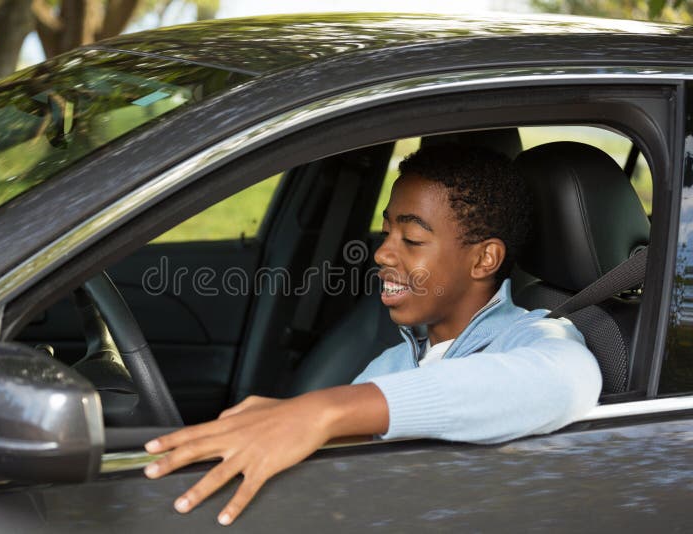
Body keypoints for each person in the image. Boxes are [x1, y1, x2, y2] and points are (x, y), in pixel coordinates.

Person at [142, 144, 603, 526]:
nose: (382, 252)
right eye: (386, 232)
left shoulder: (535, 336)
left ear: (484, 260)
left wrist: (321, 410)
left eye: (412, 240)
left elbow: (566, 380)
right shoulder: (389, 366)